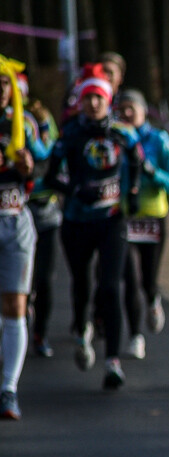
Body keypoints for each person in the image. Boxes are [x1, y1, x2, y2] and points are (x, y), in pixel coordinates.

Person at [44, 63, 142, 390]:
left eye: (99, 98)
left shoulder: (122, 132)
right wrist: (74, 189)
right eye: (88, 98)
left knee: (111, 286)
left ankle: (112, 361)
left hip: (112, 220)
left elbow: (139, 159)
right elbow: (50, 176)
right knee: (82, 283)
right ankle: (81, 326)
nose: (94, 104)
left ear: (108, 100)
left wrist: (133, 191)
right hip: (76, 221)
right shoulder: (71, 132)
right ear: (81, 101)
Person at [117, 89, 169, 359]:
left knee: (148, 279)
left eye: (132, 108)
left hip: (153, 218)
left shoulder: (159, 139)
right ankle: (135, 336)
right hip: (124, 218)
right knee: (130, 279)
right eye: (122, 109)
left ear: (145, 111)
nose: (127, 114)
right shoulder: (114, 139)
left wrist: (151, 172)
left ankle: (153, 298)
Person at [0, 55, 44, 419]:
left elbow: (48, 162)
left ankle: (8, 389)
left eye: (4, 83)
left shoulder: (23, 123)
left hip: (15, 221)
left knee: (15, 306)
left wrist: (31, 168)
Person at [20, 72, 62, 358]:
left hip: (44, 209)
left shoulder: (37, 118)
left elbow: (52, 154)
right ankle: (18, 327)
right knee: (18, 283)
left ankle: (40, 333)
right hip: (13, 211)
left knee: (44, 279)